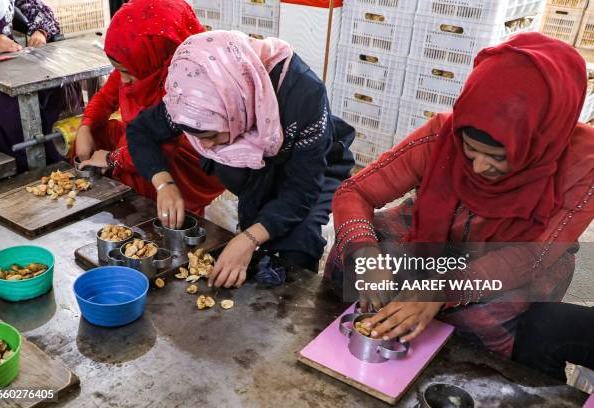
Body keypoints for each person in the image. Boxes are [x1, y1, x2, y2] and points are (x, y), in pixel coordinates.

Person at [326, 32, 594, 380]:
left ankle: (455, 379)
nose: (480, 168)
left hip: (520, 253)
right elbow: (354, 193)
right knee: (351, 256)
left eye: (499, 158)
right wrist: (365, 255)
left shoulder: (583, 164)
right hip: (438, 228)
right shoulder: (443, 134)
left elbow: (533, 255)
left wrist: (439, 289)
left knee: (481, 317)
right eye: (470, 150)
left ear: (540, 139)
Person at [127, 30, 355, 287]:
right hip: (257, 170)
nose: (205, 145)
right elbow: (140, 131)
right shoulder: (195, 94)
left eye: (211, 135)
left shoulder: (303, 94)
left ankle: (291, 309)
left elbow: (302, 190)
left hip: (311, 167)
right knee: (256, 231)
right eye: (198, 136)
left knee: (300, 242)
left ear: (236, 106)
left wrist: (249, 238)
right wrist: (164, 184)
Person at [75, 0, 224, 216]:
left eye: (127, 72)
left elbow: (161, 147)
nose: (123, 80)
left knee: (137, 161)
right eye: (119, 71)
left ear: (154, 55)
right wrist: (86, 126)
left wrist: (111, 158)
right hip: (147, 140)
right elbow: (106, 98)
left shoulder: (185, 79)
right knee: (103, 131)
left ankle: (156, 213)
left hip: (188, 161)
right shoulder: (141, 60)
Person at [0, 0, 62, 172]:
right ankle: (27, 171)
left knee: (52, 88)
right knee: (10, 106)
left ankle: (58, 164)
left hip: (9, 63)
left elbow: (40, 10)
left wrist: (40, 32)